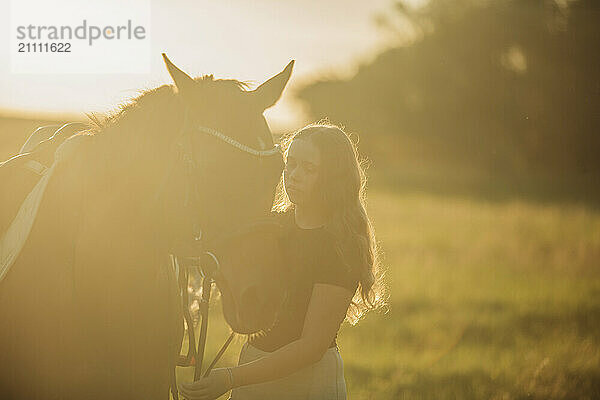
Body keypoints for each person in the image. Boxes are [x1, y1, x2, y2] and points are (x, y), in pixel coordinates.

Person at [178, 121, 386, 400]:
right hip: (253, 367)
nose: (294, 175)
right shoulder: (270, 229)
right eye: (291, 164)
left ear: (333, 178)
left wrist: (231, 378)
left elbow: (311, 347)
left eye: (308, 168)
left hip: (306, 381)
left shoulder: (340, 248)